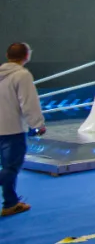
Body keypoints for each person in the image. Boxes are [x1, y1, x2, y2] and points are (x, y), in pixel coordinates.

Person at [0, 42, 45, 218]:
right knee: (11, 168)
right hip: (12, 129)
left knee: (8, 168)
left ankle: (11, 203)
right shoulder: (22, 75)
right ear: (27, 56)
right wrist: (37, 124)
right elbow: (28, 103)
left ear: (7, 55)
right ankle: (10, 203)